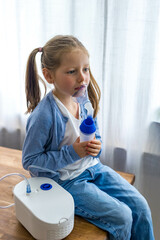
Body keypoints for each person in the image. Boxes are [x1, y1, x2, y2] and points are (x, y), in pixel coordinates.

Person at [22, 35, 155, 240]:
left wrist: (96, 146)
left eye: (85, 69)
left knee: (141, 207)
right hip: (66, 181)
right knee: (123, 218)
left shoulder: (83, 101)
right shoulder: (44, 116)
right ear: (49, 76)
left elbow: (96, 136)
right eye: (72, 71)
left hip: (93, 168)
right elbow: (30, 161)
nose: (83, 78)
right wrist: (72, 153)